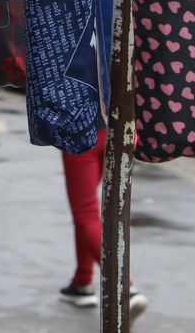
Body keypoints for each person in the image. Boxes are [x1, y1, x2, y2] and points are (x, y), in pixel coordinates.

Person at [59, 134, 147, 318]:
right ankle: (82, 281)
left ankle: (126, 288)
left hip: (81, 132)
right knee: (89, 211)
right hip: (122, 133)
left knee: (85, 211)